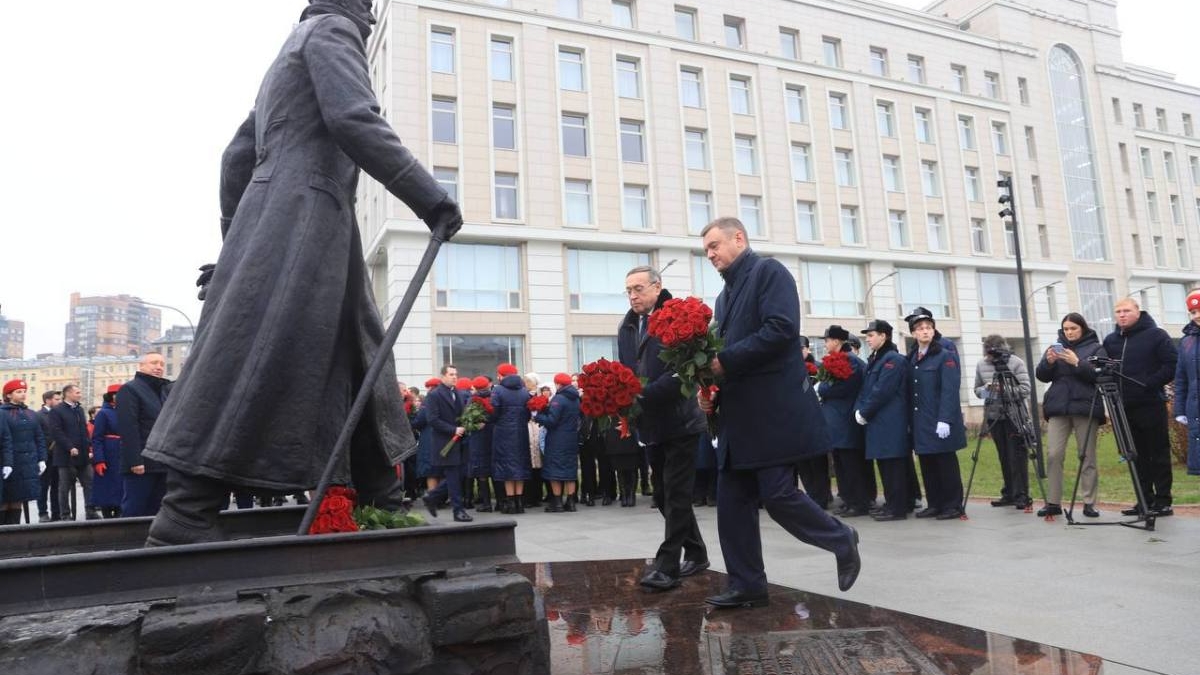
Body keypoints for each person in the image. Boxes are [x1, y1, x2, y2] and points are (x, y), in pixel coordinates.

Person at [141, 0, 462, 545]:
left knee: (358, 350)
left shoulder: (291, 49)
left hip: (293, 219)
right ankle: (185, 515)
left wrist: (242, 244)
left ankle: (381, 498)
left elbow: (235, 157)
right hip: (307, 213)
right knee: (259, 352)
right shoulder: (335, 31)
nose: (371, 19)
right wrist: (429, 197)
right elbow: (354, 119)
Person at [696, 217, 861, 607]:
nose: (711, 254)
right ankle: (747, 585)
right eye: (706, 250)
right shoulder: (723, 298)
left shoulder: (768, 272)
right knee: (732, 505)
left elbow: (780, 329)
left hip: (771, 412)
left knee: (778, 494)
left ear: (740, 237)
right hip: (739, 417)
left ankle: (842, 538)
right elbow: (730, 359)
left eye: (715, 245)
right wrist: (713, 394)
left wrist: (724, 362)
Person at [617, 265, 709, 591]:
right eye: (628, 290)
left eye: (638, 288)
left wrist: (641, 397)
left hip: (681, 419)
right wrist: (624, 402)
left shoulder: (676, 315)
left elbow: (682, 373)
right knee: (663, 494)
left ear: (657, 287)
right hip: (650, 421)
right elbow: (627, 372)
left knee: (677, 493)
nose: (633, 295)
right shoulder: (628, 325)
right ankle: (697, 553)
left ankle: (667, 565)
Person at [1103, 298, 1178, 516]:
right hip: (1122, 407)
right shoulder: (1111, 340)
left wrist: (1149, 383)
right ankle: (1143, 500)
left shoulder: (1157, 335)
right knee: (1134, 455)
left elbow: (1172, 365)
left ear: (1138, 311)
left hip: (1150, 403)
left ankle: (1163, 501)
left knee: (1158, 453)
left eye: (1126, 310)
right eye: (1118, 311)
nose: (1122, 315)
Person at [1036, 313, 1106, 517]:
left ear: (1082, 328)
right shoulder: (1056, 347)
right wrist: (1048, 363)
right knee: (1053, 454)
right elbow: (1042, 376)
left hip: (1085, 407)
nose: (1069, 332)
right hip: (1058, 408)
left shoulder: (1096, 348)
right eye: (1066, 329)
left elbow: (1098, 375)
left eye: (1073, 328)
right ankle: (1053, 502)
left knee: (1087, 456)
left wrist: (1077, 363)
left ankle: (1089, 502)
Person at [905, 309, 967, 521]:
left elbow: (950, 390)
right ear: (913, 333)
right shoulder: (913, 357)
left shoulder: (944, 355)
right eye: (920, 329)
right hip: (921, 419)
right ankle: (935, 503)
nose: (925, 332)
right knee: (928, 462)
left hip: (939, 418)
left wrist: (945, 419)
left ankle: (953, 505)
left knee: (945, 463)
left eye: (928, 328)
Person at [853, 321, 912, 521]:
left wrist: (865, 411)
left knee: (893, 466)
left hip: (890, 421)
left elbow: (882, 391)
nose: (867, 339)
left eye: (871, 335)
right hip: (878, 421)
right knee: (885, 465)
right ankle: (890, 503)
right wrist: (859, 410)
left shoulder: (892, 359)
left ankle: (898, 508)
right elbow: (867, 388)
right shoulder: (877, 358)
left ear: (883, 336)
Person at [973, 334, 1033, 510]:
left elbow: (1025, 389)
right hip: (994, 416)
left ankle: (1022, 494)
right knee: (1003, 456)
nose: (991, 356)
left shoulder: (1016, 362)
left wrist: (1004, 390)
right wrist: (987, 390)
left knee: (1017, 456)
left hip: (1015, 415)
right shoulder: (981, 364)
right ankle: (1008, 493)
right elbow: (977, 391)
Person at [817, 325, 871, 518]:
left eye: (827, 340)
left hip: (846, 419)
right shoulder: (836, 360)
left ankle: (859, 502)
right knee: (840, 463)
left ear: (837, 341)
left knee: (851, 464)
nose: (825, 345)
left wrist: (821, 389)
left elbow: (844, 388)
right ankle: (848, 500)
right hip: (835, 421)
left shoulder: (851, 361)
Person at [117, 353, 172, 518]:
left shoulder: (163, 390)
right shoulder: (130, 389)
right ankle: (127, 543)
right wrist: (135, 460)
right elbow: (128, 427)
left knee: (157, 509)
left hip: (161, 462)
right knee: (134, 509)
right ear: (141, 366)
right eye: (154, 363)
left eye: (162, 364)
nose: (159, 367)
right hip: (140, 463)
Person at [421, 365, 472, 522]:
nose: (454, 377)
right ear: (443, 376)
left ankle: (432, 495)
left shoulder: (456, 392)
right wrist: (453, 429)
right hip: (445, 442)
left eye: (456, 374)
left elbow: (460, 414)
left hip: (459, 442)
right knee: (453, 476)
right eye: (451, 374)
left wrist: (471, 423)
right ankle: (458, 511)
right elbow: (432, 419)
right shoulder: (434, 395)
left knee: (459, 475)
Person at [1, 380, 47, 525]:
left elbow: (39, 437)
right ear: (8, 395)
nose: (23, 394)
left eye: (24, 391)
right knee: (5, 498)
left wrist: (42, 459)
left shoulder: (31, 414)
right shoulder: (3, 413)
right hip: (9, 461)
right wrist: (6, 462)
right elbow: (4, 439)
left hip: (27, 463)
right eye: (18, 392)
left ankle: (15, 531)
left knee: (19, 498)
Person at [534, 373, 581, 513]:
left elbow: (552, 421)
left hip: (557, 440)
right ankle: (571, 502)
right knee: (570, 471)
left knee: (555, 471)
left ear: (558, 384)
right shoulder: (576, 398)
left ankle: (558, 503)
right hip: (571, 438)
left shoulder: (559, 398)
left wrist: (539, 416)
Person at [49, 384, 97, 520]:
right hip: (65, 456)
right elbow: (57, 432)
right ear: (68, 394)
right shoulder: (57, 411)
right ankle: (65, 515)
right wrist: (70, 447)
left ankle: (90, 510)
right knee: (64, 487)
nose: (80, 394)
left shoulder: (80, 410)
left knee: (89, 482)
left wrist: (89, 448)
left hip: (83, 455)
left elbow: (84, 431)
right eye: (77, 392)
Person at [491, 364, 532, 513]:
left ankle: (510, 503)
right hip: (521, 433)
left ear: (501, 375)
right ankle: (519, 502)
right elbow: (528, 414)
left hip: (503, 433)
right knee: (520, 465)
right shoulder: (524, 391)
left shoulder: (498, 390)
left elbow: (493, 413)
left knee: (507, 467)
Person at [1174, 290, 1200, 477]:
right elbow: (1181, 378)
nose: (1197, 315)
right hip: (1195, 408)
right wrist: (1180, 409)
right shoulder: (1187, 342)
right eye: (1193, 312)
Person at [90, 385, 124, 518]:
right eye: (116, 394)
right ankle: (107, 513)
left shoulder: (125, 411)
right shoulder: (103, 413)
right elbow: (97, 438)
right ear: (110, 396)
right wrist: (99, 459)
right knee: (107, 486)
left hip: (122, 452)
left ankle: (120, 511)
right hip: (108, 453)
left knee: (121, 485)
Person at [466, 375, 495, 512]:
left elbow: (466, 420)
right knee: (494, 469)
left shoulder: (472, 400)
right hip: (493, 436)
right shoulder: (494, 397)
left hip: (478, 438)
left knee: (481, 470)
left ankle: (486, 503)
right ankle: (502, 502)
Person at [36, 390, 61, 522]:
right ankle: (43, 513)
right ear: (47, 400)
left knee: (57, 486)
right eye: (56, 399)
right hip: (46, 456)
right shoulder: (39, 415)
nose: (59, 402)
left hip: (59, 456)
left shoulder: (59, 414)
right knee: (43, 486)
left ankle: (56, 513)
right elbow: (38, 436)